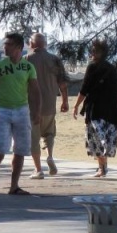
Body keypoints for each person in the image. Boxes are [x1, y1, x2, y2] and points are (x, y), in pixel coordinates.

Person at [0, 32, 41, 195]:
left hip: (22, 110)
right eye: (4, 44)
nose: (5, 47)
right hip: (2, 110)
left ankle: (14, 185)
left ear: (19, 48)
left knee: (20, 149)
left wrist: (37, 112)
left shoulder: (28, 67)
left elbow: (35, 91)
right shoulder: (0, 65)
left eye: (9, 44)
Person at [72, 39, 117, 177]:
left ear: (101, 52)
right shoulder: (113, 69)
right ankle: (103, 168)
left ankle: (102, 169)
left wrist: (76, 105)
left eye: (94, 50)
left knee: (97, 140)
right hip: (112, 111)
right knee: (105, 141)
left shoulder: (92, 67)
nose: (91, 53)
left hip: (96, 110)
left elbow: (84, 90)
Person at [25, 33, 69, 179]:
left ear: (32, 44)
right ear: (45, 44)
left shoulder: (27, 60)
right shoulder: (55, 59)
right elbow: (62, 84)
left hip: (32, 106)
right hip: (50, 105)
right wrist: (65, 101)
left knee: (34, 138)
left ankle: (38, 169)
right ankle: (49, 155)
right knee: (49, 134)